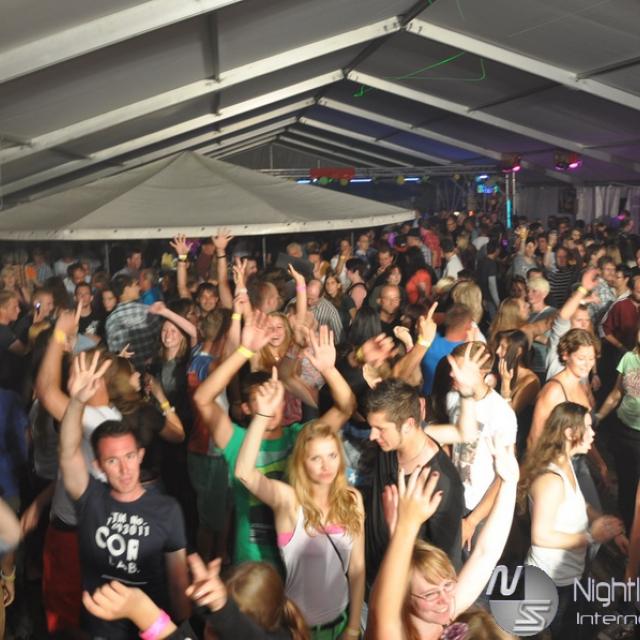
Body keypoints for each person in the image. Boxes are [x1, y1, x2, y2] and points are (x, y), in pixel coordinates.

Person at [194, 314, 356, 568]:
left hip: (297, 562)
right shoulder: (237, 440)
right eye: (261, 399)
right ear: (247, 408)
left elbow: (346, 408)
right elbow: (202, 399)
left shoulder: (300, 437)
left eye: (275, 398)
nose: (270, 406)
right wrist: (244, 351)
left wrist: (329, 370)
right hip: (252, 563)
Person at [58, 352, 190, 639]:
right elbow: (67, 452)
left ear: (140, 455)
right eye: (112, 461)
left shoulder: (168, 509)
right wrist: (77, 401)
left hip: (150, 628)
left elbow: (178, 584)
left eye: (129, 456)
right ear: (98, 465)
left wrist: (183, 632)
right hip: (101, 629)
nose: (124, 469)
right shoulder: (91, 499)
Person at [235, 373, 365, 639]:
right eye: (316, 458)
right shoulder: (289, 501)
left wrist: (353, 628)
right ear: (301, 463)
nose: (326, 465)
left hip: (342, 626)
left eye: (332, 455)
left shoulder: (351, 499)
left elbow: (357, 569)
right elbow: (244, 473)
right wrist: (262, 416)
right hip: (300, 630)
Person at [365, 438, 519, 640]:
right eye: (430, 594)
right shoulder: (396, 633)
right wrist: (405, 529)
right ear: (404, 596)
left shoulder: (443, 618)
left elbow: (485, 554)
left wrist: (509, 484)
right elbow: (382, 613)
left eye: (448, 585)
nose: (445, 600)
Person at [364, 345, 485, 589]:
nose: (372, 436)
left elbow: (444, 565)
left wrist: (467, 394)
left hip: (403, 592)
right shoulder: (391, 443)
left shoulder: (442, 483)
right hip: (372, 578)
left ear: (409, 425)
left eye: (380, 429)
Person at [519, 402, 626, 638]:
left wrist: (609, 528)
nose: (593, 433)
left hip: (571, 576)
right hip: (553, 583)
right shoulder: (551, 481)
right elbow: (540, 536)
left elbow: (580, 504)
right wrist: (590, 536)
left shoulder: (566, 463)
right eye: (587, 427)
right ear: (569, 432)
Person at [83, 553, 310, 640]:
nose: (209, 630)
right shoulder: (204, 623)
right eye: (212, 621)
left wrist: (143, 612)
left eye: (220, 632)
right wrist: (208, 606)